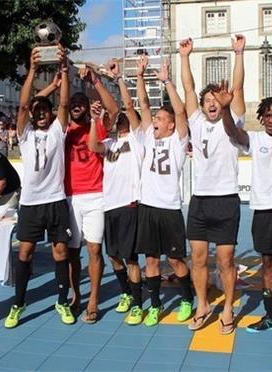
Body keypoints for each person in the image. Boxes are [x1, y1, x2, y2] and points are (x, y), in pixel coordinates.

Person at [210, 78, 272, 341]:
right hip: (263, 211)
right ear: (262, 117)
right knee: (268, 264)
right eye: (267, 115)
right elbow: (232, 132)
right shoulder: (254, 139)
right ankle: (271, 316)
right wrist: (225, 109)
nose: (271, 120)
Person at [4, 45, 74, 328]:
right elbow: (23, 105)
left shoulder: (59, 129)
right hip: (31, 203)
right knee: (25, 253)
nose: (42, 113)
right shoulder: (25, 133)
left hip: (55, 200)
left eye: (46, 110)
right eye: (38, 111)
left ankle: (61, 300)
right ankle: (18, 303)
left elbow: (65, 105)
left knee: (60, 252)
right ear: (32, 116)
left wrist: (64, 71)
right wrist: (32, 70)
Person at [180, 36, 245, 334]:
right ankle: (203, 304)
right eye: (207, 101)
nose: (211, 104)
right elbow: (189, 89)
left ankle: (228, 307)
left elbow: (239, 89)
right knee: (196, 257)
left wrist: (238, 53)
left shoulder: (232, 124)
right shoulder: (196, 122)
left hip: (226, 200)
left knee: (225, 260)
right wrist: (184, 57)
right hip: (200, 201)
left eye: (216, 101)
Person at [134, 56, 193, 327]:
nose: (155, 120)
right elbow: (143, 104)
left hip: (169, 209)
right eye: (155, 118)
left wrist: (168, 80)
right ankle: (155, 305)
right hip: (148, 207)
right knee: (151, 261)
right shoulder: (148, 136)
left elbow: (181, 113)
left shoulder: (178, 143)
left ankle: (186, 297)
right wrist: (140, 76)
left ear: (170, 125)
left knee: (176, 259)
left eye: (160, 118)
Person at [86, 61, 143, 325]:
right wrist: (96, 118)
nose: (118, 119)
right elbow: (92, 145)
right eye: (115, 118)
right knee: (112, 256)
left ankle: (138, 302)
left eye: (120, 118)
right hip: (109, 205)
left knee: (131, 257)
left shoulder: (137, 139)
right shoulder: (109, 142)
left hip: (129, 204)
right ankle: (126, 294)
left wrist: (117, 79)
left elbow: (127, 107)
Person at [65, 67, 119, 323]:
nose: (76, 106)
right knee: (72, 252)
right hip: (70, 197)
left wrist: (95, 81)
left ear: (87, 106)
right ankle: (76, 296)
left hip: (96, 195)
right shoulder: (62, 130)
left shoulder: (97, 126)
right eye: (72, 103)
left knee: (95, 250)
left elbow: (114, 110)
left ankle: (94, 299)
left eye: (80, 102)